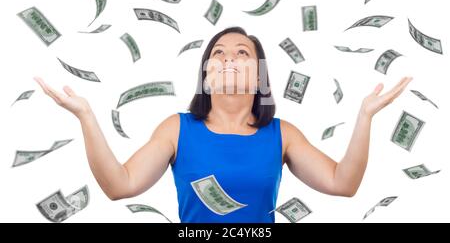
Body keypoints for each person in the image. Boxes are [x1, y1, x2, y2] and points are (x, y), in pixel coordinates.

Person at [34, 26, 412, 222]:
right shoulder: (176, 129)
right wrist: (86, 116)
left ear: (259, 74)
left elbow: (342, 184)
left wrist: (364, 117)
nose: (229, 58)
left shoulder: (283, 134)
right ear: (206, 73)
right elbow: (120, 186)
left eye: (242, 53)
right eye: (219, 53)